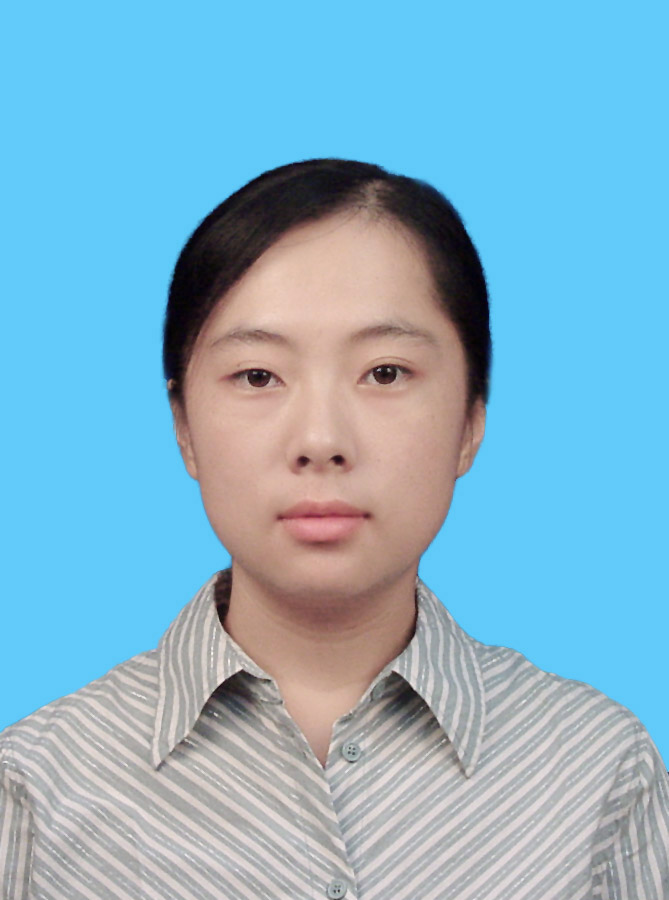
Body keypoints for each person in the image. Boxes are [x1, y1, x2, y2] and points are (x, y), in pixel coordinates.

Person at [1, 159, 667, 900]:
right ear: (183, 426)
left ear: (472, 419)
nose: (320, 440)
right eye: (258, 376)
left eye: (385, 373)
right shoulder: (39, 784)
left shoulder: (596, 769)